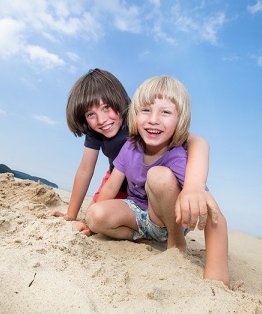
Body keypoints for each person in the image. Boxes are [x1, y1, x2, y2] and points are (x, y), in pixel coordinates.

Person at [77, 76, 229, 286]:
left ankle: (176, 243)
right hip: (139, 216)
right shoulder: (130, 146)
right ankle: (143, 238)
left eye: (165, 112)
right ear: (134, 114)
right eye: (146, 110)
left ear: (180, 120)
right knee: (95, 215)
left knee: (158, 176)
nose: (153, 119)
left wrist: (218, 277)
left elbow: (214, 216)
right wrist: (89, 224)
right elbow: (111, 186)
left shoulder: (177, 156)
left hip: (167, 220)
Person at [51, 68, 219, 232]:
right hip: (116, 179)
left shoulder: (141, 120)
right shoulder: (95, 132)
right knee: (94, 216)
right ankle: (140, 234)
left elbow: (197, 142)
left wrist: (194, 185)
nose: (101, 120)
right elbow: (85, 170)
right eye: (90, 114)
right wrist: (71, 215)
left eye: (106, 107)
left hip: (151, 183)